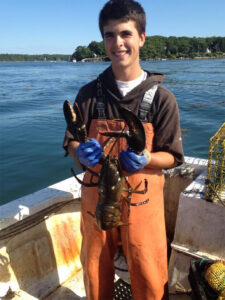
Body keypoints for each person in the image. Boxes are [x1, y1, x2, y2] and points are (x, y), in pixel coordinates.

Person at [63, 0, 184, 299]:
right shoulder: (89, 93)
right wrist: (78, 151)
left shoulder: (161, 99)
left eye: (125, 34)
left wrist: (147, 158)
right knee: (94, 268)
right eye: (109, 35)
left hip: (143, 205)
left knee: (149, 271)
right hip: (97, 206)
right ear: (103, 39)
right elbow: (70, 141)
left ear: (142, 37)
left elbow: (173, 157)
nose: (117, 43)